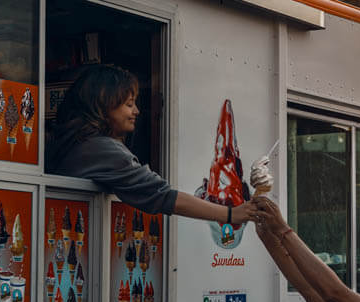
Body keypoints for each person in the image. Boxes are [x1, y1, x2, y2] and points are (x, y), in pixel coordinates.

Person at [48, 64, 255, 225]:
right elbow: (162, 195)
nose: (136, 111)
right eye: (129, 104)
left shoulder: (73, 142)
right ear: (103, 105)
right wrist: (231, 214)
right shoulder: (103, 149)